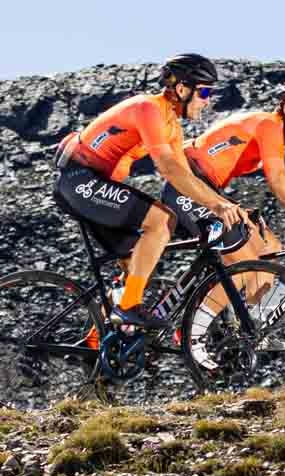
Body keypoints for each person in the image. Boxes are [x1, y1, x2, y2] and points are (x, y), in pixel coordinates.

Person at [53, 54, 249, 332]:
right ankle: (128, 307)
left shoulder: (172, 127)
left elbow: (186, 177)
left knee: (134, 265)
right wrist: (217, 207)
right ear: (182, 89)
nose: (208, 100)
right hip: (79, 179)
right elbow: (168, 168)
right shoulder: (149, 109)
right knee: (161, 220)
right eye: (204, 91)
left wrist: (221, 204)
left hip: (91, 184)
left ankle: (97, 348)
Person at [160, 77, 285, 366]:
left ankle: (255, 322)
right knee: (244, 263)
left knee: (269, 246)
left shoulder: (269, 130)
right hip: (189, 184)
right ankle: (190, 334)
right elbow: (279, 181)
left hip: (206, 187)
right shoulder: (269, 124)